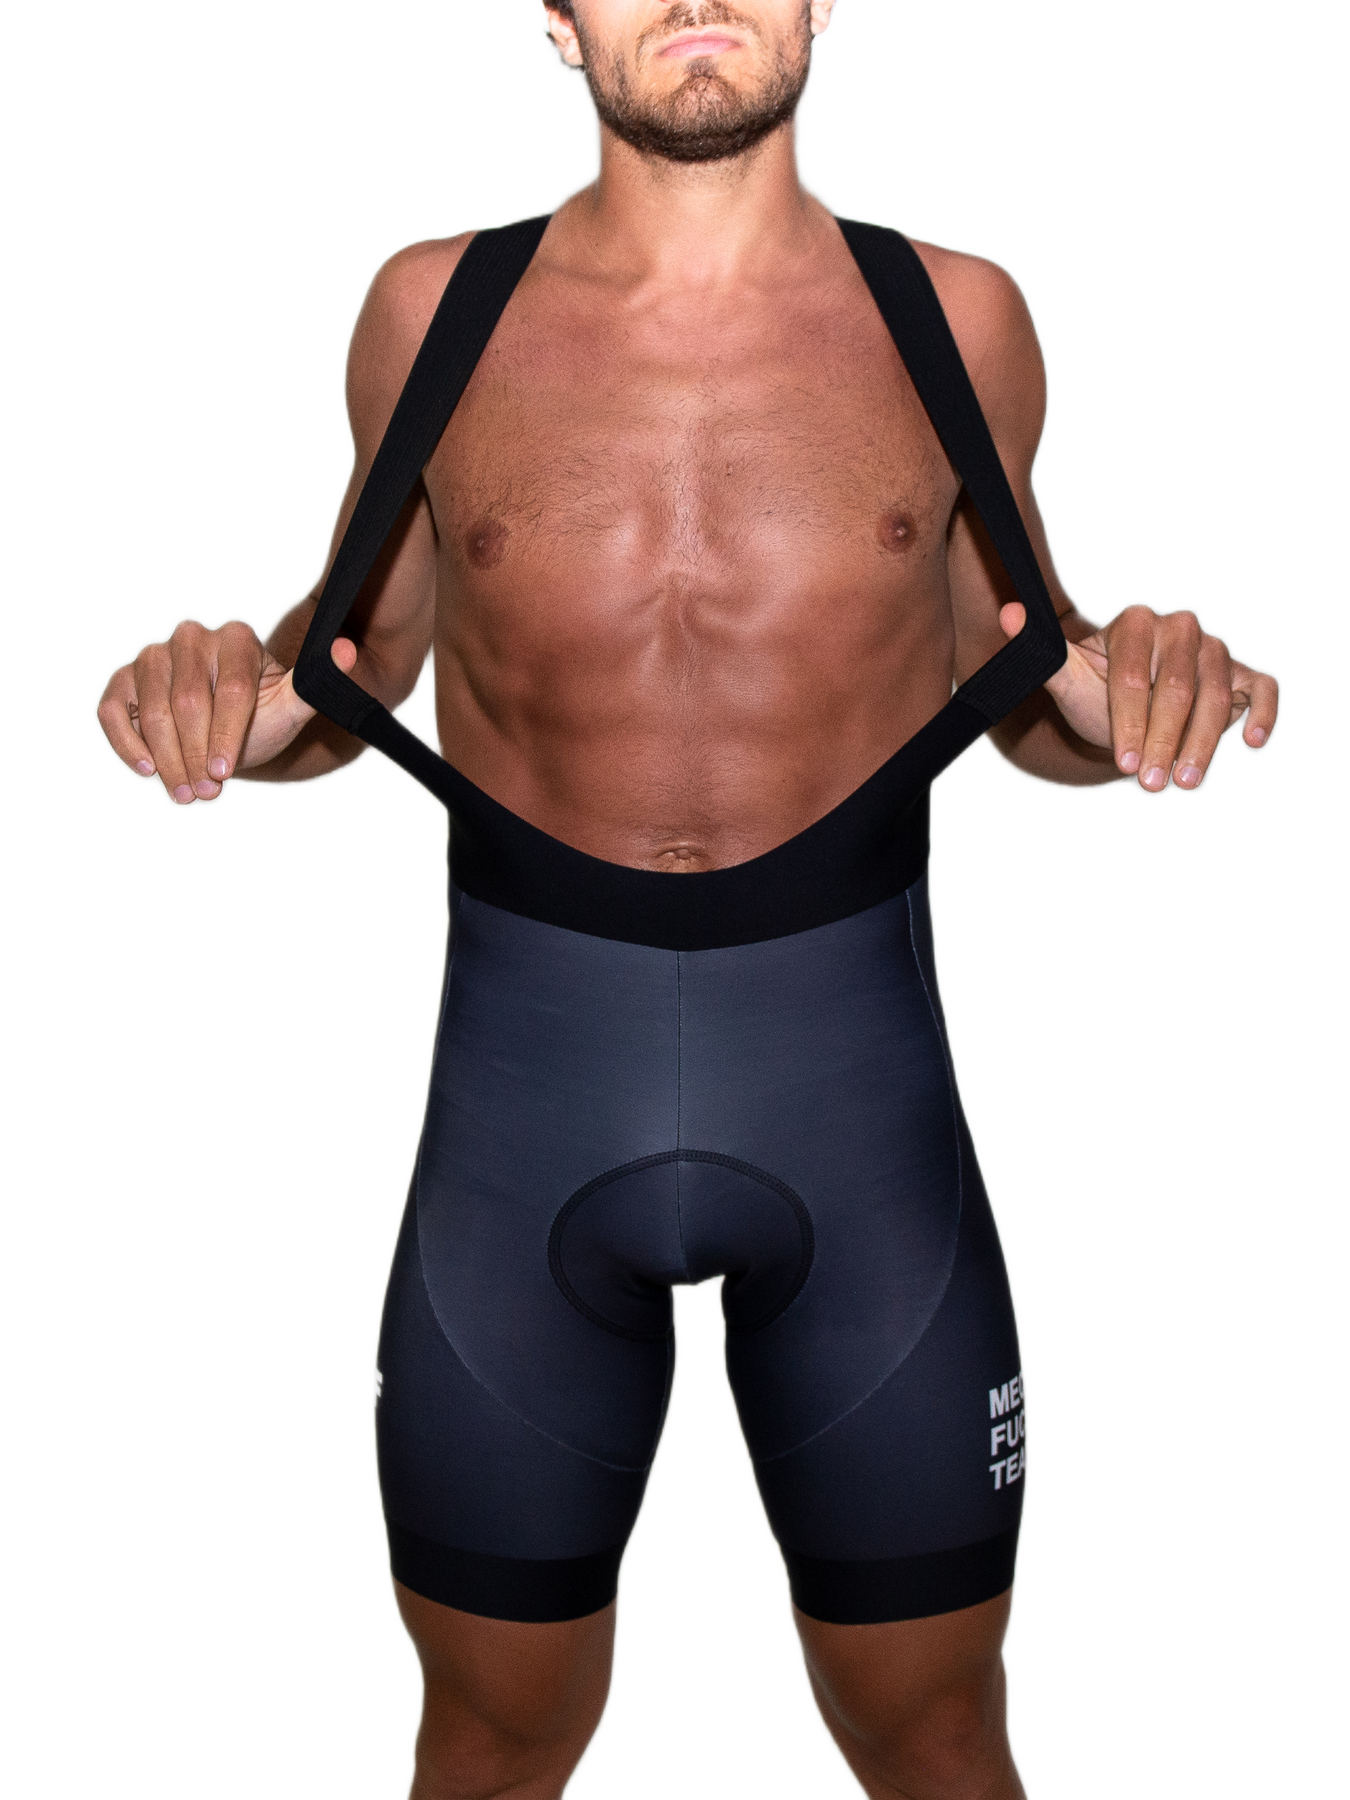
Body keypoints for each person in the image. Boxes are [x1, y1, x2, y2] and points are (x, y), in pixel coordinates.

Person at [97, 4, 1278, 1796]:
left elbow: (1028, 683)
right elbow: (345, 676)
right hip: (519, 1137)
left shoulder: (956, 316)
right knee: (491, 1741)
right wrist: (223, 702)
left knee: (937, 1735)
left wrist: (1139, 710)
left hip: (861, 1136)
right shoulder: (433, 310)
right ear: (554, 15)